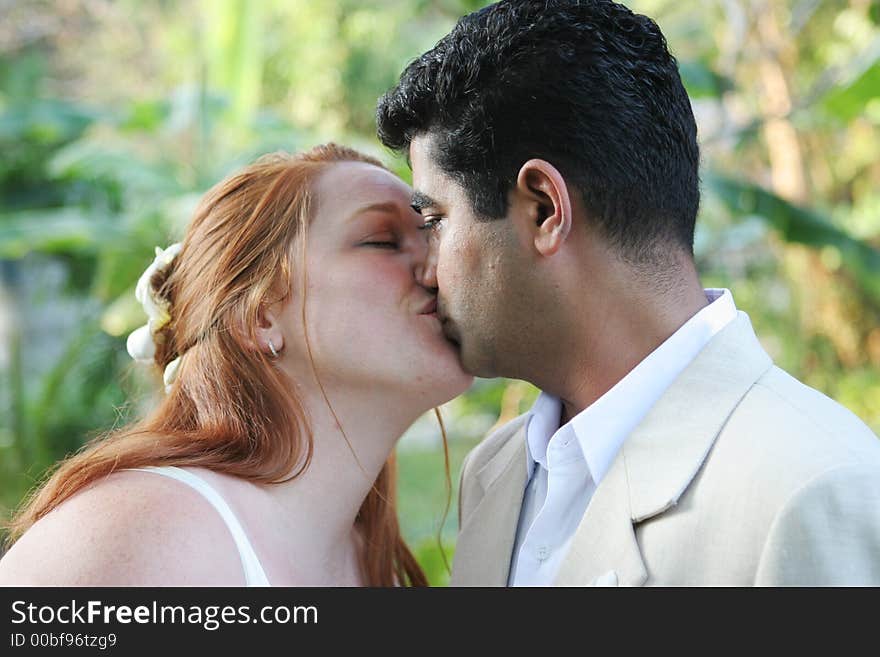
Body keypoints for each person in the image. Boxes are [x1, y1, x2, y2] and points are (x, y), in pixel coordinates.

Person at [376, 0, 880, 586]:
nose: (427, 272)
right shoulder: (496, 471)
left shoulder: (815, 489)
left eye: (434, 220)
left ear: (543, 209)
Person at [0, 144, 472, 586]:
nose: (439, 267)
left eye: (435, 234)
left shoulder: (372, 567)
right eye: (383, 241)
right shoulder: (136, 531)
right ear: (261, 315)